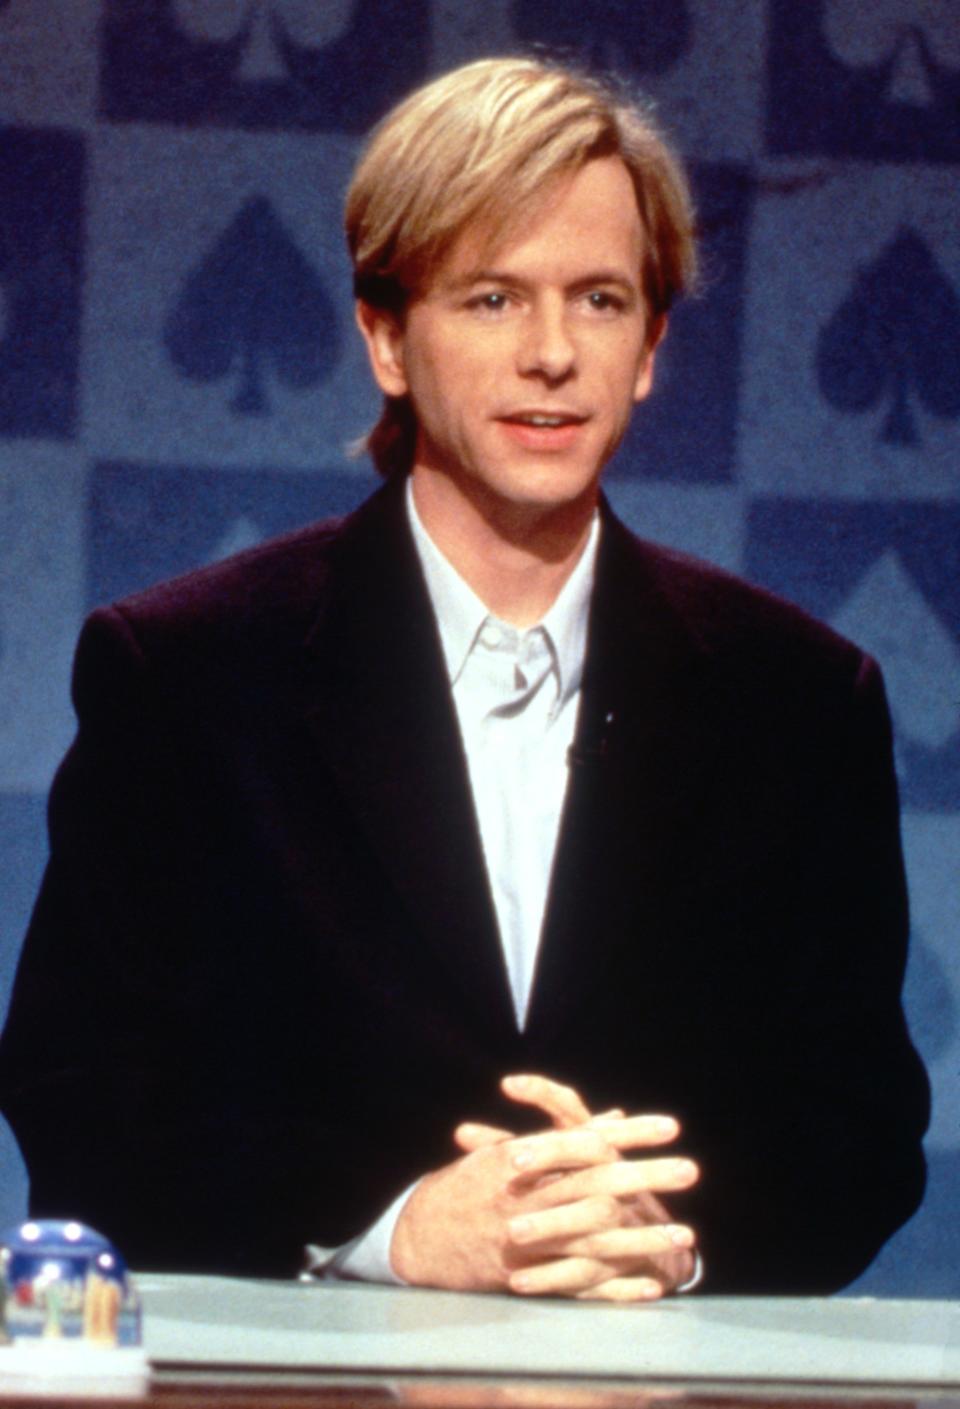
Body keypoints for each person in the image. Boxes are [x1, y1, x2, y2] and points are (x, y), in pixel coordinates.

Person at [0, 57, 928, 1301]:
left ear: (651, 346)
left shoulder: (802, 699)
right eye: (492, 298)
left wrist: (668, 1232)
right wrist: (392, 1234)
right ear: (386, 336)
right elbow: (84, 1096)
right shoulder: (187, 674)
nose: (553, 354)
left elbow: (859, 1130)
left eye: (600, 300)